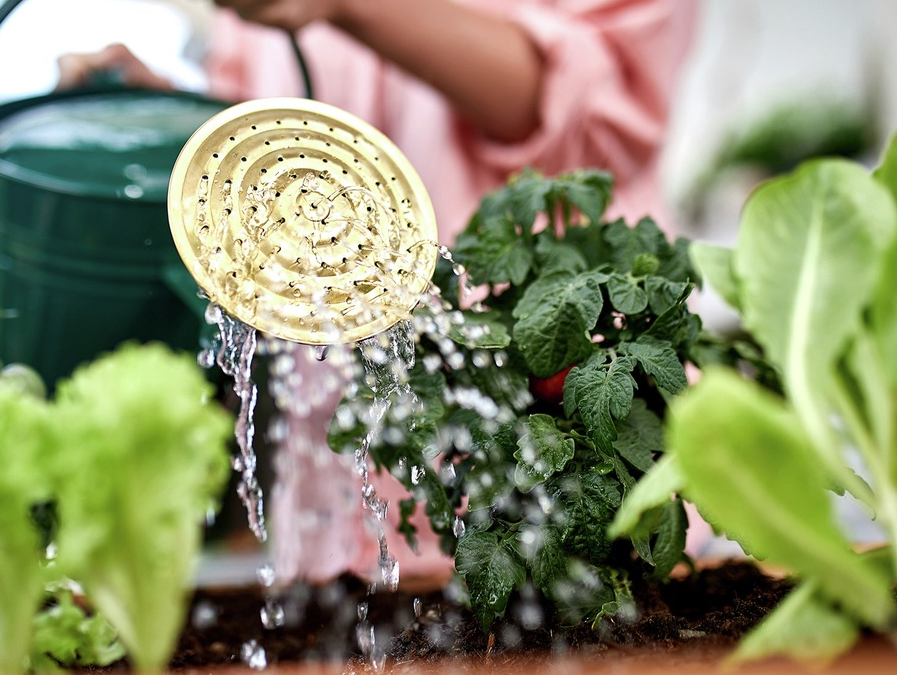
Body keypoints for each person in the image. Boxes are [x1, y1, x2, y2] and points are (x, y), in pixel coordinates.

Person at [58, 0, 700, 587]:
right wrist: (165, 109)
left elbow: (591, 105)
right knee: (352, 618)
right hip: (340, 445)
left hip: (546, 365)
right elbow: (272, 150)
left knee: (586, 604)